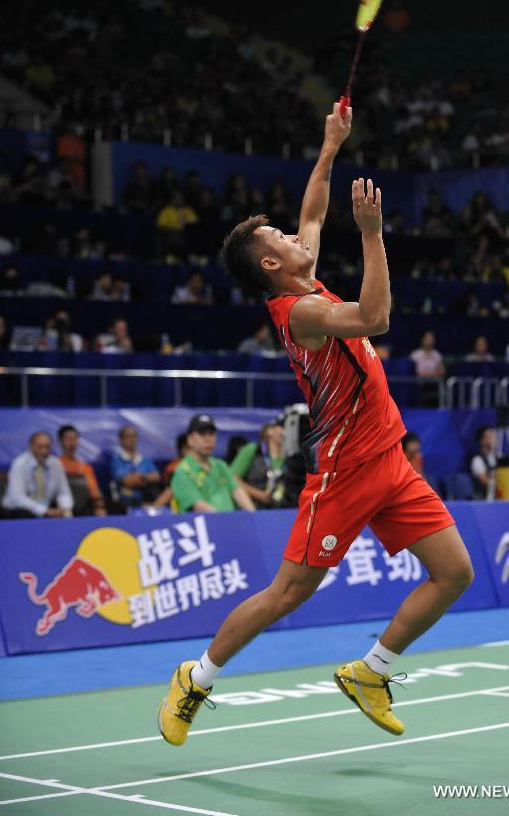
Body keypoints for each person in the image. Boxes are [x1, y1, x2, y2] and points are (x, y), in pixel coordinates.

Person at [158, 103, 473, 748]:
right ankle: (196, 677)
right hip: (344, 472)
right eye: (278, 237)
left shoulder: (303, 274)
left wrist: (330, 146)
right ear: (272, 266)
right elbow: (376, 318)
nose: (295, 234)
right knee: (286, 594)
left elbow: (312, 213)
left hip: (389, 459)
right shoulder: (299, 312)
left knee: (455, 573)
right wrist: (372, 233)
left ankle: (371, 671)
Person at [171, 415, 255, 513]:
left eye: (211, 434)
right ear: (190, 439)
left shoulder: (220, 465)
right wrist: (225, 521)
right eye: (202, 434)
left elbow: (238, 491)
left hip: (228, 520)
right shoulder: (182, 472)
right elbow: (198, 506)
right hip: (205, 522)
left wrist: (253, 516)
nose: (208, 439)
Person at [2, 432, 73, 518]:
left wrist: (65, 509)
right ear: (31, 446)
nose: (44, 451)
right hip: (19, 510)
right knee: (24, 514)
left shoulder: (55, 463)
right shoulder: (19, 464)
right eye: (40, 447)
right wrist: (45, 511)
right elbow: (18, 497)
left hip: (47, 508)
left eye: (47, 447)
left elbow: (63, 492)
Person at [230, 417, 285, 508]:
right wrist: (259, 495)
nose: (286, 431)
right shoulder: (252, 449)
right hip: (251, 508)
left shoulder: (292, 456)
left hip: (282, 509)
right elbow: (232, 478)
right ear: (270, 431)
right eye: (282, 427)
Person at [58, 425, 106, 516]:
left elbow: (95, 492)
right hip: (61, 510)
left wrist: (99, 507)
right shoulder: (55, 465)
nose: (72, 442)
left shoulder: (85, 467)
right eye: (68, 439)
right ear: (60, 441)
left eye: (74, 439)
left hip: (83, 510)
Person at [111, 426, 160, 509]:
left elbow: (156, 477)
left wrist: (142, 477)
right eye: (128, 436)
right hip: (125, 505)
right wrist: (146, 478)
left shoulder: (145, 459)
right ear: (120, 440)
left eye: (134, 436)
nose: (132, 439)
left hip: (147, 501)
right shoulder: (117, 461)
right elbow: (127, 482)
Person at [469, 425, 497, 500]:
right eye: (488, 437)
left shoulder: (497, 457)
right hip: (485, 499)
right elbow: (484, 481)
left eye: (492, 436)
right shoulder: (477, 460)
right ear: (481, 440)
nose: (491, 440)